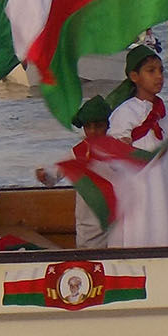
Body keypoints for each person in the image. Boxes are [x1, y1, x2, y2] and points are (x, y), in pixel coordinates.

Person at [105, 45, 168, 247]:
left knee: (161, 216)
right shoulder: (125, 112)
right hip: (137, 186)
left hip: (161, 181)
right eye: (151, 71)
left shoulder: (162, 110)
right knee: (139, 225)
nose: (159, 77)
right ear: (134, 76)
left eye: (161, 71)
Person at [36, 96, 112, 251]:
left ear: (107, 125)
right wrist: (45, 174)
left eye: (98, 126)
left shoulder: (116, 149)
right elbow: (56, 172)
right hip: (87, 223)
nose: (93, 131)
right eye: (88, 127)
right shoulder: (78, 152)